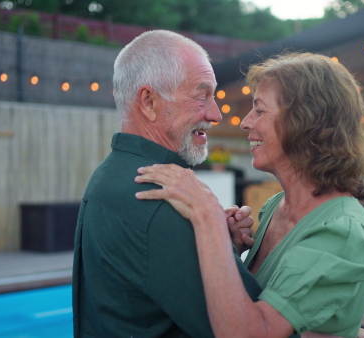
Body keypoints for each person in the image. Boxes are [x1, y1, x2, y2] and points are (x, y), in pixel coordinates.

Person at [136, 52, 364, 338]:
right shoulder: (275, 206)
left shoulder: (343, 230)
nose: (245, 122)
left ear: (304, 122)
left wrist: (207, 220)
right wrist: (229, 249)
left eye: (259, 110)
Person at [71, 30, 262, 337]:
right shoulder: (163, 199)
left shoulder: (111, 173)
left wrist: (220, 245)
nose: (215, 114)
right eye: (202, 95)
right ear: (149, 101)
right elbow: (254, 330)